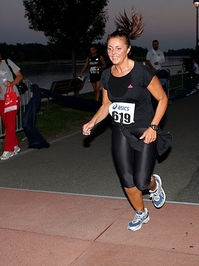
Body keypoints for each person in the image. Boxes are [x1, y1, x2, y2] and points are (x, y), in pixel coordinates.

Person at [82, 9, 169, 231]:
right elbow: (106, 105)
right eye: (110, 48)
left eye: (118, 48)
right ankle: (141, 212)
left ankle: (154, 184)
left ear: (128, 49)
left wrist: (153, 127)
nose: (113, 52)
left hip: (144, 129)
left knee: (142, 181)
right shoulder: (106, 75)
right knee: (126, 178)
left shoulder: (141, 72)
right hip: (120, 130)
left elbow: (162, 99)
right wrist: (92, 122)